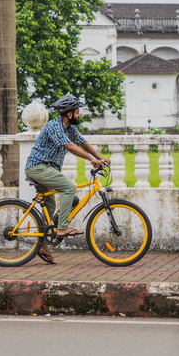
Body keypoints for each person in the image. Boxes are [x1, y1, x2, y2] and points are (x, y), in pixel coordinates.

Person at [25, 95, 110, 264]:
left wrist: (99, 158)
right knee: (69, 188)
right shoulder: (55, 126)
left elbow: (82, 142)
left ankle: (42, 244)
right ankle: (62, 228)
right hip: (38, 167)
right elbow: (70, 146)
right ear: (69, 113)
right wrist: (90, 160)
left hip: (48, 169)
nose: (79, 115)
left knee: (52, 205)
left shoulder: (69, 128)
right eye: (77, 112)